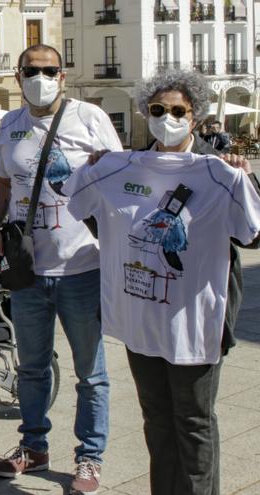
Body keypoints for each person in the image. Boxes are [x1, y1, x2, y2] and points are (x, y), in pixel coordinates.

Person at [79, 69, 260, 495]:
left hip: (197, 319)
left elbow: (253, 234)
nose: (168, 118)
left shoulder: (218, 171)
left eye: (179, 110)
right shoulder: (124, 168)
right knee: (156, 417)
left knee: (193, 419)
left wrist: (245, 179)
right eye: (159, 110)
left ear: (194, 117)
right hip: (143, 314)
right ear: (146, 114)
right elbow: (99, 223)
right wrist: (97, 173)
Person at [0, 44, 120, 493]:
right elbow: (2, 182)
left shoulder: (89, 119)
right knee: (32, 368)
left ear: (62, 76)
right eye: (31, 70)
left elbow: (116, 178)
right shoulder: (9, 124)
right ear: (18, 76)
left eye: (49, 69)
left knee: (90, 372)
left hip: (81, 265)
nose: (40, 76)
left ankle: (89, 457)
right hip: (28, 268)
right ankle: (34, 446)